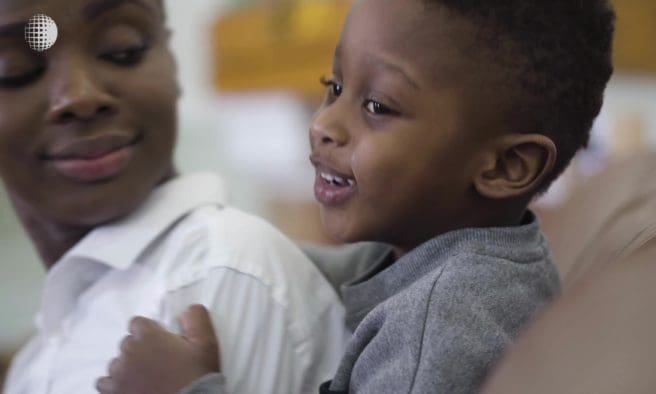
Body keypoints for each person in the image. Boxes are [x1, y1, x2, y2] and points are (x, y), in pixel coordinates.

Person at [97, 0, 615, 392]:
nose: (323, 123)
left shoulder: (439, 326)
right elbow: (340, 275)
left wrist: (186, 388)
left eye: (377, 106)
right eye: (335, 86)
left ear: (505, 166)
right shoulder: (470, 256)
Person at [1, 0, 346, 393]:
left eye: (122, 49)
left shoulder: (216, 270)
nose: (80, 95)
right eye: (14, 68)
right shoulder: (36, 359)